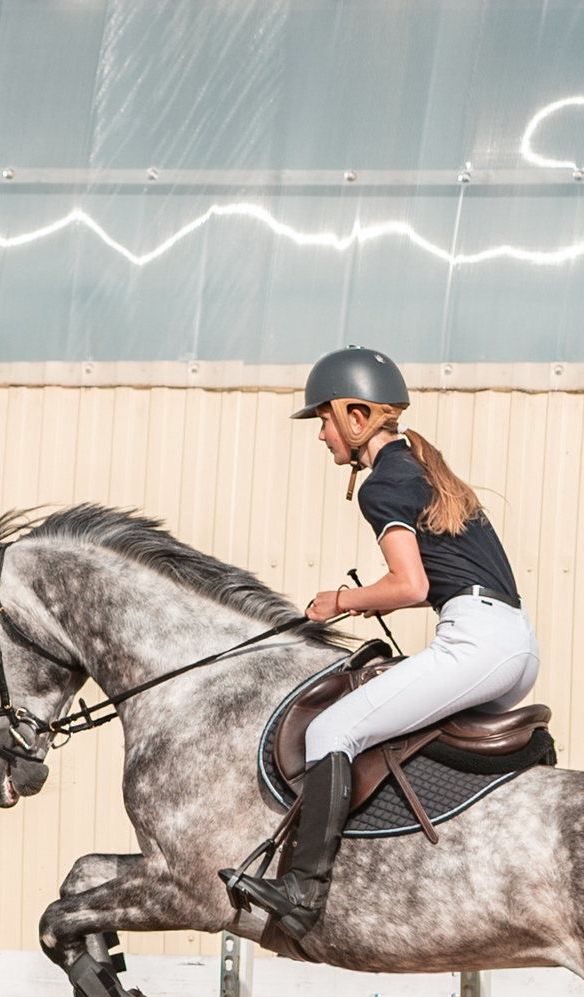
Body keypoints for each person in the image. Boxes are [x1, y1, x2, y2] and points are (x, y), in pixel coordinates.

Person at [223, 346, 540, 939]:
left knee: (329, 732)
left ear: (357, 416)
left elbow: (410, 583)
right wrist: (379, 597)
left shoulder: (383, 485)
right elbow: (435, 583)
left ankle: (302, 891)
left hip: (476, 643)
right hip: (513, 644)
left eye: (324, 419)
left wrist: (341, 600)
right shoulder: (422, 472)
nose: (321, 434)